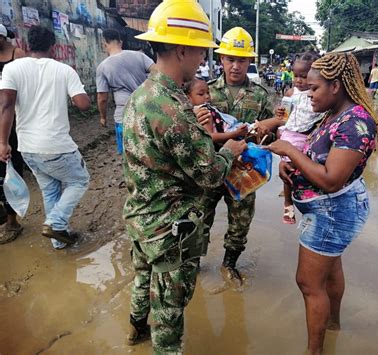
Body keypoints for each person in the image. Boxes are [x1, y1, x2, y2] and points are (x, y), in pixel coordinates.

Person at [122, 1, 246, 352]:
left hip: (140, 217)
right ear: (182, 50)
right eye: (201, 52)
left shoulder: (141, 95)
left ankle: (134, 330)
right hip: (169, 230)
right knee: (169, 312)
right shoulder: (175, 110)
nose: (203, 60)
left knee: (142, 280)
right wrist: (229, 151)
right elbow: (208, 175)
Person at [266, 52, 378, 355]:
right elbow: (317, 157)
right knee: (330, 271)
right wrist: (290, 164)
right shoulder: (335, 114)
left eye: (314, 88)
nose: (307, 92)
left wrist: (290, 150)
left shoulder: (356, 122)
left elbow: (331, 179)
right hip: (329, 207)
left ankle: (314, 351)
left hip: (334, 209)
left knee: (307, 282)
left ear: (336, 86)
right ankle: (333, 324)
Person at [0, 26, 90, 250]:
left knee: (50, 189)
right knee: (80, 180)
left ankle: (58, 242)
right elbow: (83, 104)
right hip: (56, 144)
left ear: (28, 44)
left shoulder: (12, 69)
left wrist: (3, 142)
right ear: (52, 46)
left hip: (28, 147)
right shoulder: (64, 70)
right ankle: (56, 223)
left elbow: (7, 105)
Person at [199, 26, 274, 286]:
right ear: (221, 59)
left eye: (241, 60)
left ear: (249, 61)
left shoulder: (260, 95)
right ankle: (194, 262)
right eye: (230, 59)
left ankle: (229, 264)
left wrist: (264, 134)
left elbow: (272, 134)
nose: (235, 66)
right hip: (211, 167)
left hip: (244, 171)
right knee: (200, 216)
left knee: (241, 220)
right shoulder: (204, 92)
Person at [278, 51, 322, 224]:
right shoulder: (291, 93)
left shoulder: (318, 94)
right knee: (287, 170)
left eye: (303, 76)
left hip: (306, 136)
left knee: (303, 172)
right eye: (296, 75)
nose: (298, 80)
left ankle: (303, 203)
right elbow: (283, 117)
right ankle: (288, 203)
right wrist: (280, 114)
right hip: (289, 134)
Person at [96, 28, 155, 155]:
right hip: (146, 111)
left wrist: (103, 117)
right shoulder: (139, 56)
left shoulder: (102, 67)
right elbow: (158, 72)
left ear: (104, 44)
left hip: (123, 116)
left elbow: (102, 98)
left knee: (128, 156)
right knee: (148, 153)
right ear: (120, 42)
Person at [0, 24, 26, 244]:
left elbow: (21, 92)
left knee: (10, 166)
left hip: (12, 120)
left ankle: (12, 221)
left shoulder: (18, 56)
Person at [184, 78, 248, 144]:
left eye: (208, 92)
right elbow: (210, 137)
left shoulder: (206, 107)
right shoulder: (203, 111)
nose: (207, 96)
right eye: (201, 94)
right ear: (188, 98)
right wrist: (235, 133)